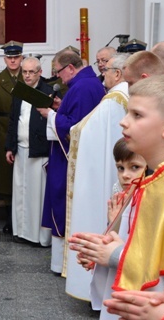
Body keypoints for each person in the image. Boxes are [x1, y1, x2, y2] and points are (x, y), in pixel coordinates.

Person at [70, 75, 164, 319]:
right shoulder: (149, 181)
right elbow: (146, 248)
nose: (123, 122)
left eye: (137, 115)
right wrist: (104, 252)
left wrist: (116, 255)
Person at [64, 53, 129, 301]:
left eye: (107, 69)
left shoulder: (115, 100)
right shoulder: (122, 96)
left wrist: (64, 124)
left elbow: (83, 130)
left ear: (118, 73)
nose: (103, 73)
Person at [37, 49, 105, 273]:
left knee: (61, 201)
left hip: (69, 160)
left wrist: (51, 116)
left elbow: (76, 128)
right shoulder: (86, 84)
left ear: (70, 68)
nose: (59, 78)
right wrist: (59, 108)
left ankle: (63, 264)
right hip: (73, 157)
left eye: (59, 73)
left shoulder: (82, 87)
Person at [76, 138, 147, 317]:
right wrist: (95, 255)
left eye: (135, 168)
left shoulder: (147, 196)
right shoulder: (121, 192)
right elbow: (115, 234)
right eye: (120, 168)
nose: (125, 175)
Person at [4, 56, 53, 246]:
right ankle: (21, 232)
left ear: (40, 72)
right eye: (24, 72)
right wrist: (10, 146)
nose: (27, 75)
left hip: (38, 151)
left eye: (31, 72)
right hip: (21, 150)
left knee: (36, 196)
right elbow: (13, 120)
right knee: (20, 193)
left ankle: (37, 236)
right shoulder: (19, 91)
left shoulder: (47, 93)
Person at [0, 40, 24, 234]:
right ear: (5, 59)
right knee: (6, 180)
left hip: (24, 132)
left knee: (25, 177)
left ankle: (23, 219)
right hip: (2, 133)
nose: (13, 60)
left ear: (21, 58)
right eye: (9, 57)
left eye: (16, 57)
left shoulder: (28, 78)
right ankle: (9, 219)